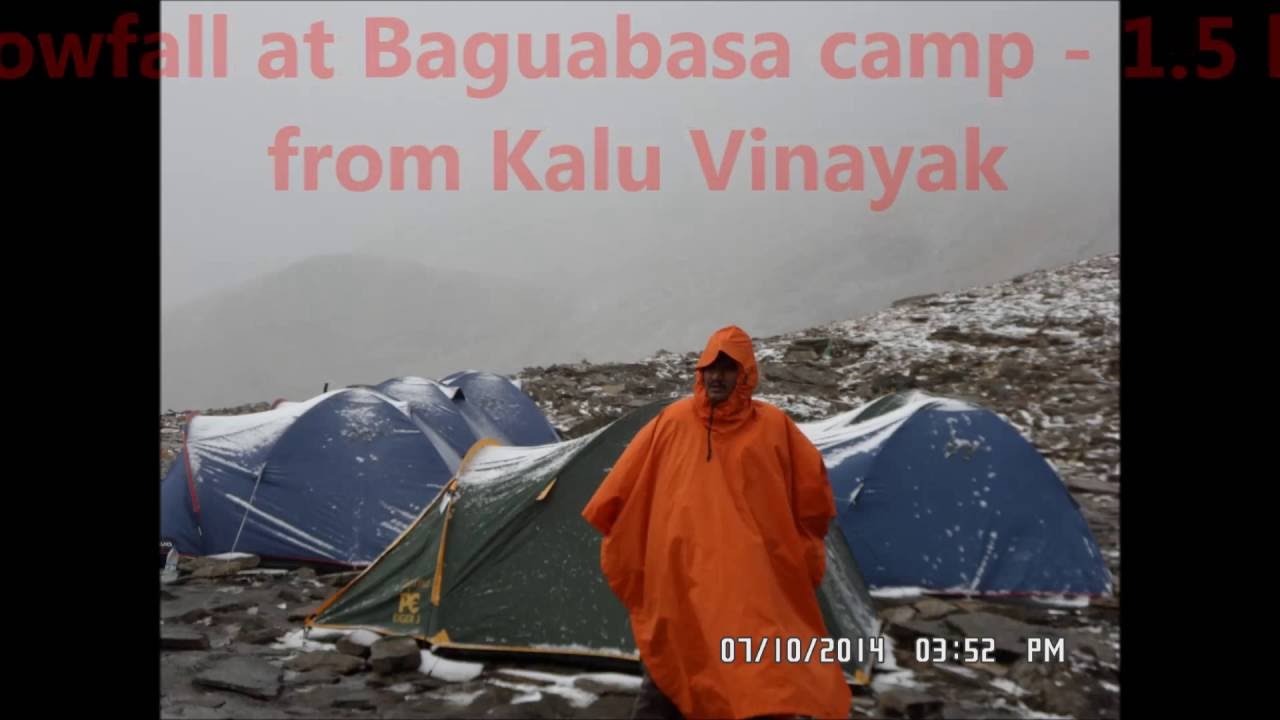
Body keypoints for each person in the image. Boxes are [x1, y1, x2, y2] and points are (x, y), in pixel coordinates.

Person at [581, 325, 852, 720]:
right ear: (700, 372)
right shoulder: (672, 423)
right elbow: (618, 495)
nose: (718, 376)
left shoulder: (774, 429)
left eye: (728, 368)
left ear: (746, 375)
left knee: (752, 678)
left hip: (748, 585)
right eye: (711, 366)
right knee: (673, 668)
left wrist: (789, 555)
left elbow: (812, 504)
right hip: (680, 582)